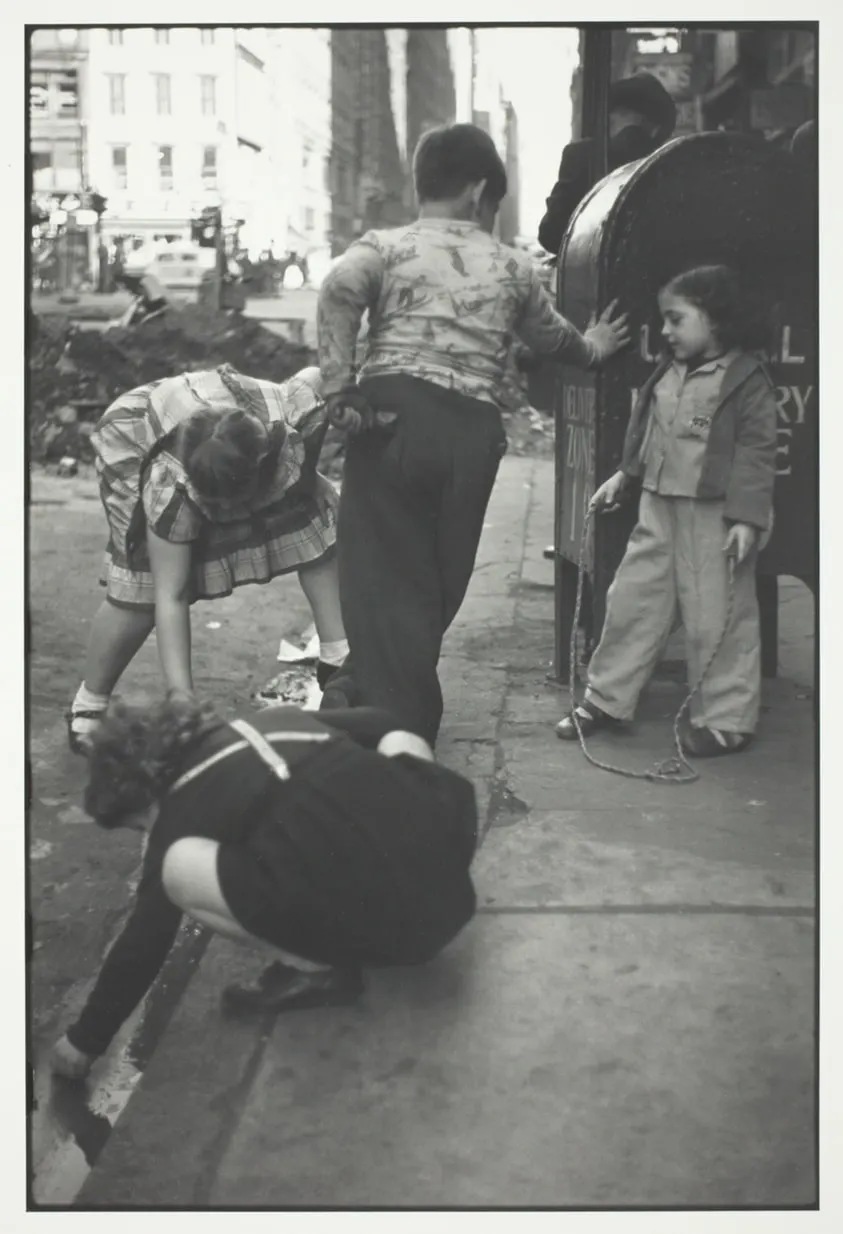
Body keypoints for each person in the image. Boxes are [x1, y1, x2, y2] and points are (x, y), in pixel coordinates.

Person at [316, 122, 629, 746]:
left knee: (377, 573)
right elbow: (555, 339)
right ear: (480, 192)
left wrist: (340, 389)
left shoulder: (386, 247)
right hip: (467, 436)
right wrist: (596, 348)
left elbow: (337, 290)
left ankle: (384, 710)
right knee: (440, 577)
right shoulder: (512, 267)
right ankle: (373, 698)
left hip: (389, 420)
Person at [50, 696, 477, 1080]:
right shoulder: (275, 721)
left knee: (175, 870)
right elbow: (382, 717)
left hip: (403, 938)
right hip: (451, 891)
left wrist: (85, 1041)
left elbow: (144, 942)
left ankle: (318, 968)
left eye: (140, 826)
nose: (147, 838)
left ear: (145, 794)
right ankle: (417, 857)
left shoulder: (179, 813)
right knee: (399, 739)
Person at [67, 364, 349, 754]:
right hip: (138, 437)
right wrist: (181, 697)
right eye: (216, 506)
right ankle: (90, 703)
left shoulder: (295, 412)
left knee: (316, 525)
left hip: (235, 432)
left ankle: (340, 662)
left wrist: (310, 476)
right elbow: (172, 595)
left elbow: (318, 376)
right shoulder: (169, 485)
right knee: (142, 588)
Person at [555, 265, 777, 756]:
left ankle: (725, 718)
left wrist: (746, 518)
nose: (666, 331)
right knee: (632, 601)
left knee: (716, 616)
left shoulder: (745, 380)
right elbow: (646, 430)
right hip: (658, 508)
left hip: (714, 518)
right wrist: (625, 475)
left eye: (676, 319)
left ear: (715, 320)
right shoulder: (668, 372)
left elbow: (758, 453)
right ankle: (607, 698)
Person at [538, 73, 677, 257]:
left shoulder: (581, 157)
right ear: (657, 130)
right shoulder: (670, 163)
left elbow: (551, 234)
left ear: (611, 119)